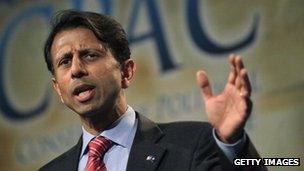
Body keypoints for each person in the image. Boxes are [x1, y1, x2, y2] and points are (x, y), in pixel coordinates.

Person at [39, 10, 265, 171]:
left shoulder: (193, 143)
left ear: (126, 72)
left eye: (90, 55)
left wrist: (232, 144)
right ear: (58, 89)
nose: (76, 69)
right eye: (65, 61)